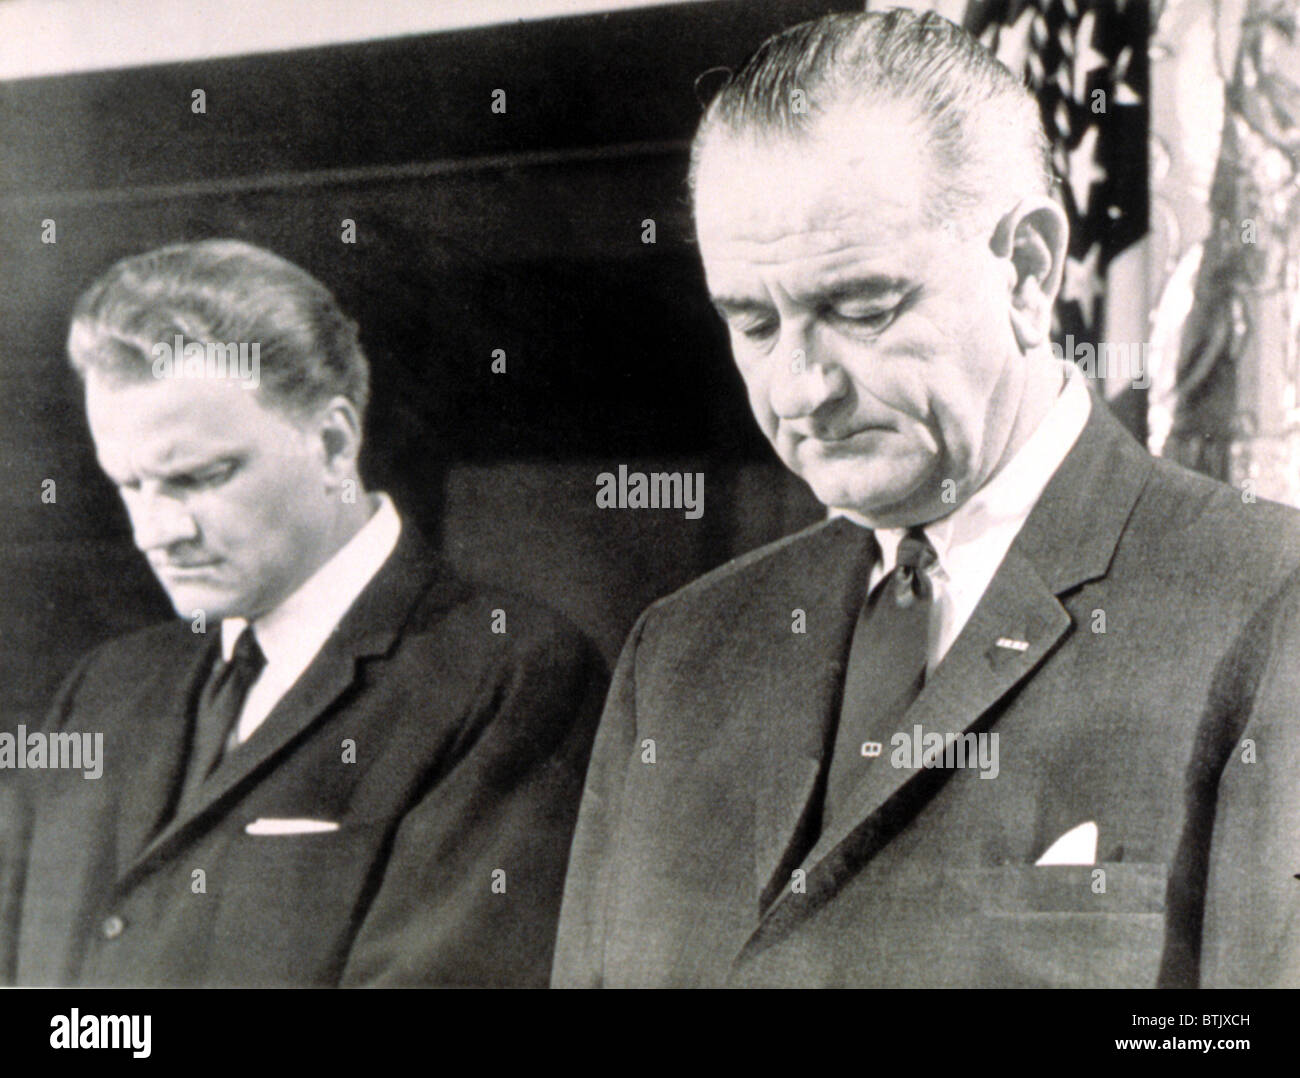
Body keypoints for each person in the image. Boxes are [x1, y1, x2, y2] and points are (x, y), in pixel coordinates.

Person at [553, 9, 1300, 988]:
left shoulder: (1263, 599)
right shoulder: (679, 654)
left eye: (861, 309)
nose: (800, 388)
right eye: (753, 322)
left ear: (1028, 270)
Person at [2, 238, 606, 987]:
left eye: (199, 478)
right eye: (130, 484)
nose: (156, 532)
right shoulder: (104, 691)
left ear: (331, 441)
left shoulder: (511, 677)